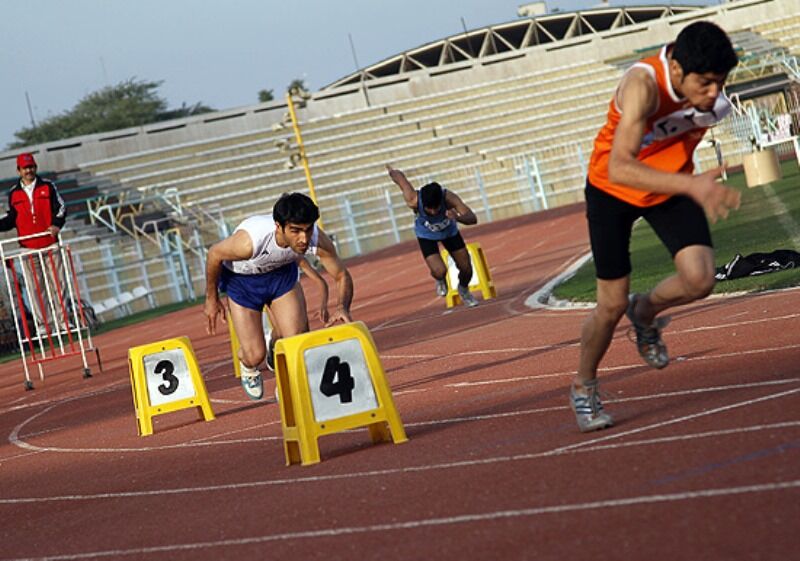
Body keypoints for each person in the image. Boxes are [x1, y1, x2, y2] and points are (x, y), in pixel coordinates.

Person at [571, 21, 741, 432]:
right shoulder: (642, 86)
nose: (714, 92)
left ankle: (644, 313)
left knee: (700, 280)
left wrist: (684, 181)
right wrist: (692, 185)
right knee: (609, 305)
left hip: (669, 186)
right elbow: (621, 166)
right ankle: (584, 386)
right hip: (612, 189)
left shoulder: (714, 102)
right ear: (678, 69)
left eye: (720, 82)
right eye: (705, 82)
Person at [204, 192, 353, 400]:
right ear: (278, 226)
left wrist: (342, 306)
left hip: (281, 278)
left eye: (308, 229)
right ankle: (247, 364)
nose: (303, 239)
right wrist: (212, 298)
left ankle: (285, 379)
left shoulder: (317, 239)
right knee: (255, 354)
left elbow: (341, 275)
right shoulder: (249, 242)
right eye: (295, 231)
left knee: (297, 343)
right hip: (243, 284)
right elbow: (214, 254)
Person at [386, 164, 479, 307]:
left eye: (437, 208)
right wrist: (391, 171)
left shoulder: (449, 198)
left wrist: (457, 217)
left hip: (449, 232)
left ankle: (464, 289)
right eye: (430, 209)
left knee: (466, 268)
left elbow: (473, 218)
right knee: (439, 270)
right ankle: (440, 278)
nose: (435, 212)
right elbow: (401, 180)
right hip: (426, 235)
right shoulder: (413, 199)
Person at [0, 153, 68, 334]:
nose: (29, 171)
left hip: (50, 244)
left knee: (58, 285)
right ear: (19, 170)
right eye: (25, 168)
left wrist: (56, 225)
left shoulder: (47, 186)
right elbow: (11, 219)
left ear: (35, 168)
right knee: (36, 290)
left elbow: (61, 208)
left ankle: (63, 322)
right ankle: (44, 326)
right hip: (28, 248)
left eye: (31, 167)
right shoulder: (14, 193)